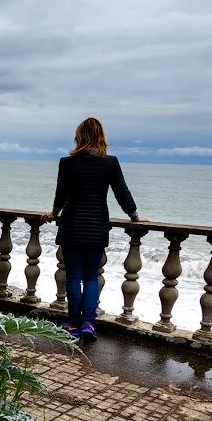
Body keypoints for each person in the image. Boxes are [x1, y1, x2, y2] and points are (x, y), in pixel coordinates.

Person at [41, 117, 144, 341]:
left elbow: (61, 193)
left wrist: (54, 213)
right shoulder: (110, 162)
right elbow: (121, 191)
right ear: (101, 136)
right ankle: (88, 323)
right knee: (90, 277)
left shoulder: (67, 163)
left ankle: (74, 325)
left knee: (73, 276)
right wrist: (134, 216)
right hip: (96, 226)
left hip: (72, 224)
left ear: (79, 136)